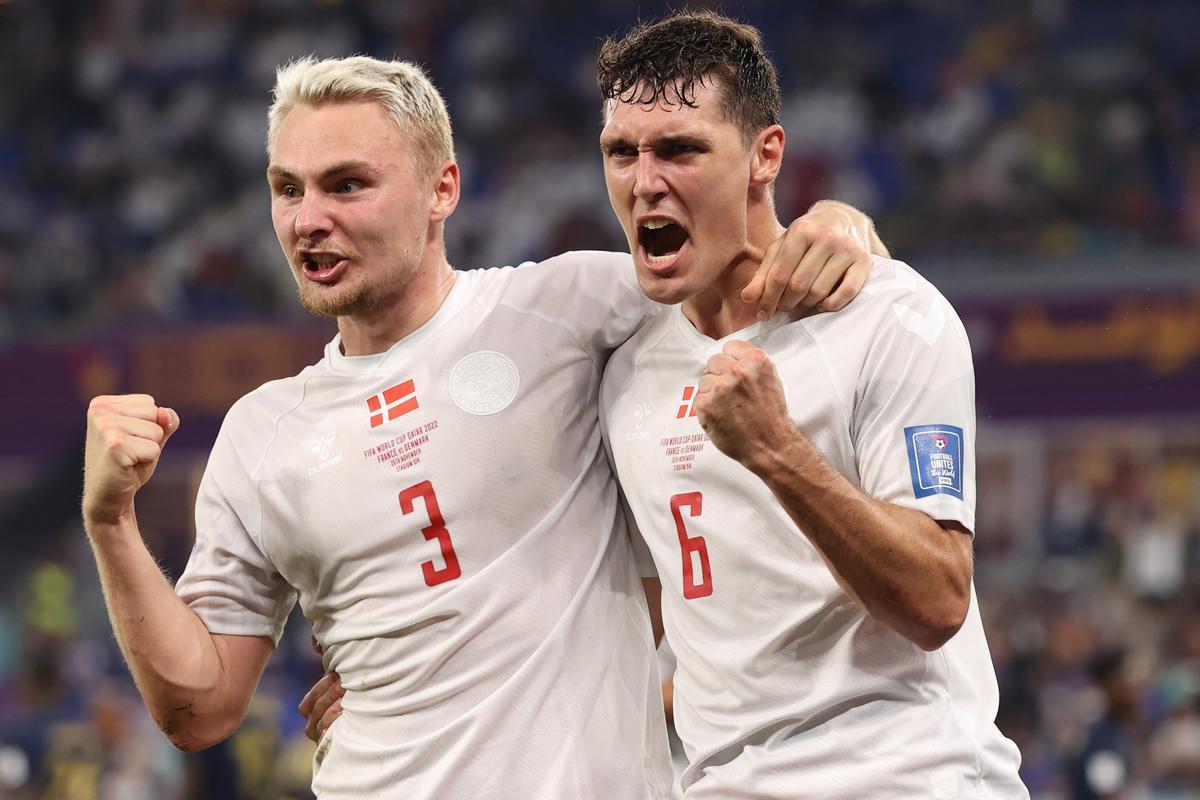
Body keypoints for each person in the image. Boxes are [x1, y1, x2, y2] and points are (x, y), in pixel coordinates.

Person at [80, 54, 880, 798]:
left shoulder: (572, 308)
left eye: (348, 185)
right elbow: (199, 709)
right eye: (288, 190)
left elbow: (744, 276)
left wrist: (839, 224)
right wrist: (110, 520)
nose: (308, 219)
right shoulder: (261, 433)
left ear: (442, 190)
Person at [594, 11, 1029, 799]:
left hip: (904, 777)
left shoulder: (889, 316)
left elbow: (937, 599)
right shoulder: (621, 366)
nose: (643, 180)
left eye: (680, 149)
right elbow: (662, 615)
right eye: (622, 151)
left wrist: (777, 451)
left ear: (765, 156)